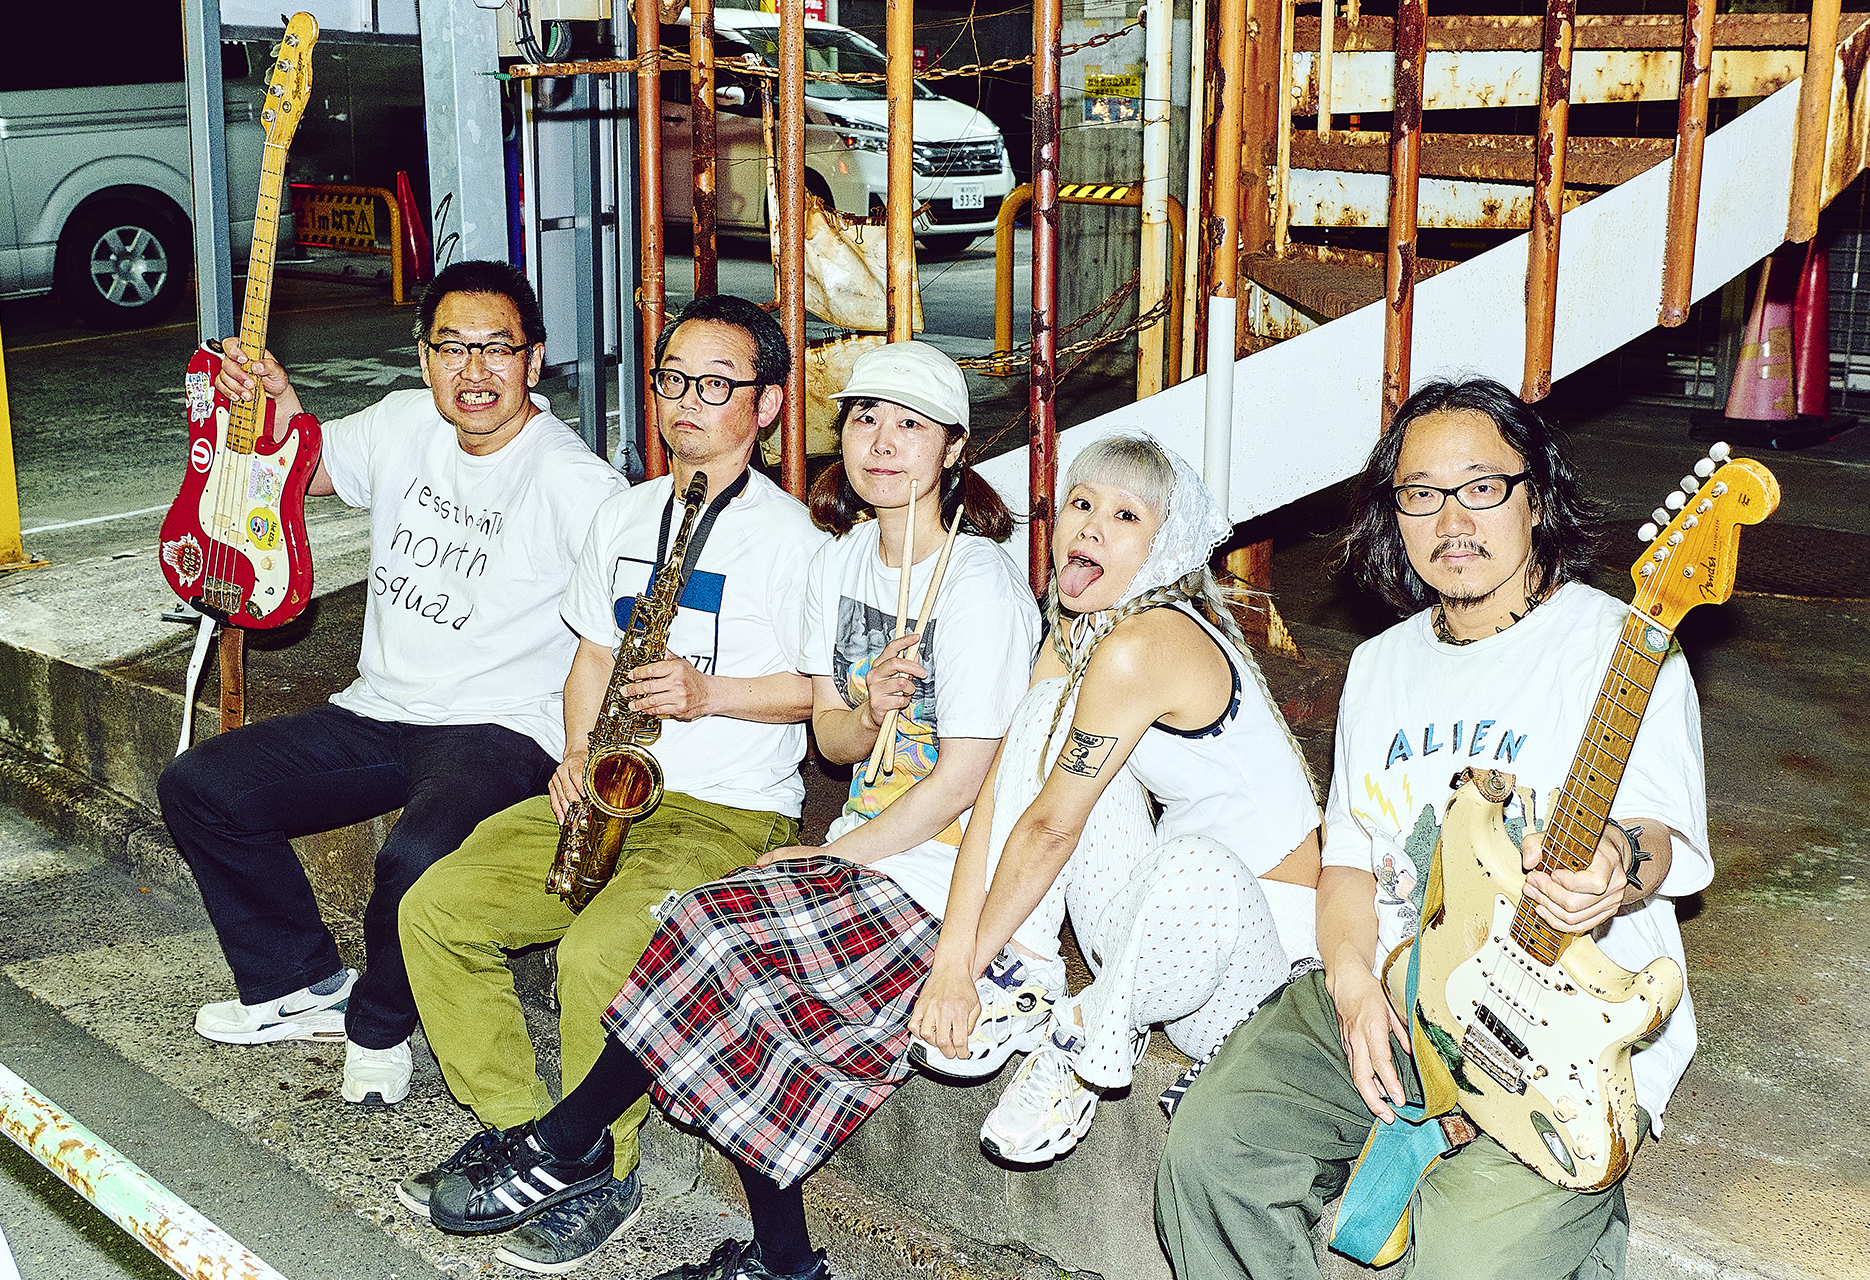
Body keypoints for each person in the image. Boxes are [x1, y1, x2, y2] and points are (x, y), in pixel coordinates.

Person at [408, 340, 1040, 1279]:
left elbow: (966, 784)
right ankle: (775, 1259)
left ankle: (568, 1145)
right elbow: (838, 746)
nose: (880, 441)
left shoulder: (979, 583)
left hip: (946, 867)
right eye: (866, 418)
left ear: (953, 450)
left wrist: (830, 854)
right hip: (868, 845)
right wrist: (870, 709)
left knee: (699, 946)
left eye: (910, 426)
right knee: (715, 973)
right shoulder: (847, 561)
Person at [1154, 377, 1711, 1280]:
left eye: (1482, 487)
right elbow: (1348, 864)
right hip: (1404, 985)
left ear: (1538, 497)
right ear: (1395, 515)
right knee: (1213, 1154)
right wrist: (1350, 986)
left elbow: (1658, 838)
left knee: (1467, 1258)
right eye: (1421, 494)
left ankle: (1550, 1215)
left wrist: (1615, 860)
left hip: (1560, 1026)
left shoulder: (1623, 645)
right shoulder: (1380, 665)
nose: (1452, 520)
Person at [394, 293, 832, 1270]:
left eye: (716, 384)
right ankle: (536, 1139)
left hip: (727, 813)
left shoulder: (798, 541)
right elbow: (592, 655)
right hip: (610, 786)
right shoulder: (625, 514)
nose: (686, 402)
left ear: (765, 405)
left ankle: (610, 1172)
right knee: (438, 906)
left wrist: (711, 693)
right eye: (673, 379)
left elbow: (822, 694)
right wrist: (578, 755)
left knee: (600, 953)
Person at [157, 260, 628, 1108]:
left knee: (416, 857)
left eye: (497, 349)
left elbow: (626, 634)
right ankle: (298, 985)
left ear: (534, 358)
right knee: (203, 786)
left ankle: (377, 1027)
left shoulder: (579, 485)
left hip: (500, 728)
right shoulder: (403, 421)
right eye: (452, 348)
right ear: (423, 357)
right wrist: (270, 405)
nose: (474, 371)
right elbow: (301, 469)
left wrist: (587, 748)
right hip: (378, 709)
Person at [907, 431, 1323, 1166]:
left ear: (1168, 545)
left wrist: (959, 969)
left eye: (1126, 515)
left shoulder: (1146, 643)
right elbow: (1009, 792)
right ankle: (1028, 975)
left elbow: (1050, 830)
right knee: (1042, 717)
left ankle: (1084, 1041)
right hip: (1154, 942)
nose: (1092, 526)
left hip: (1251, 979)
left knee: (1194, 858)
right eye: (1081, 503)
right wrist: (957, 957)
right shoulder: (1081, 630)